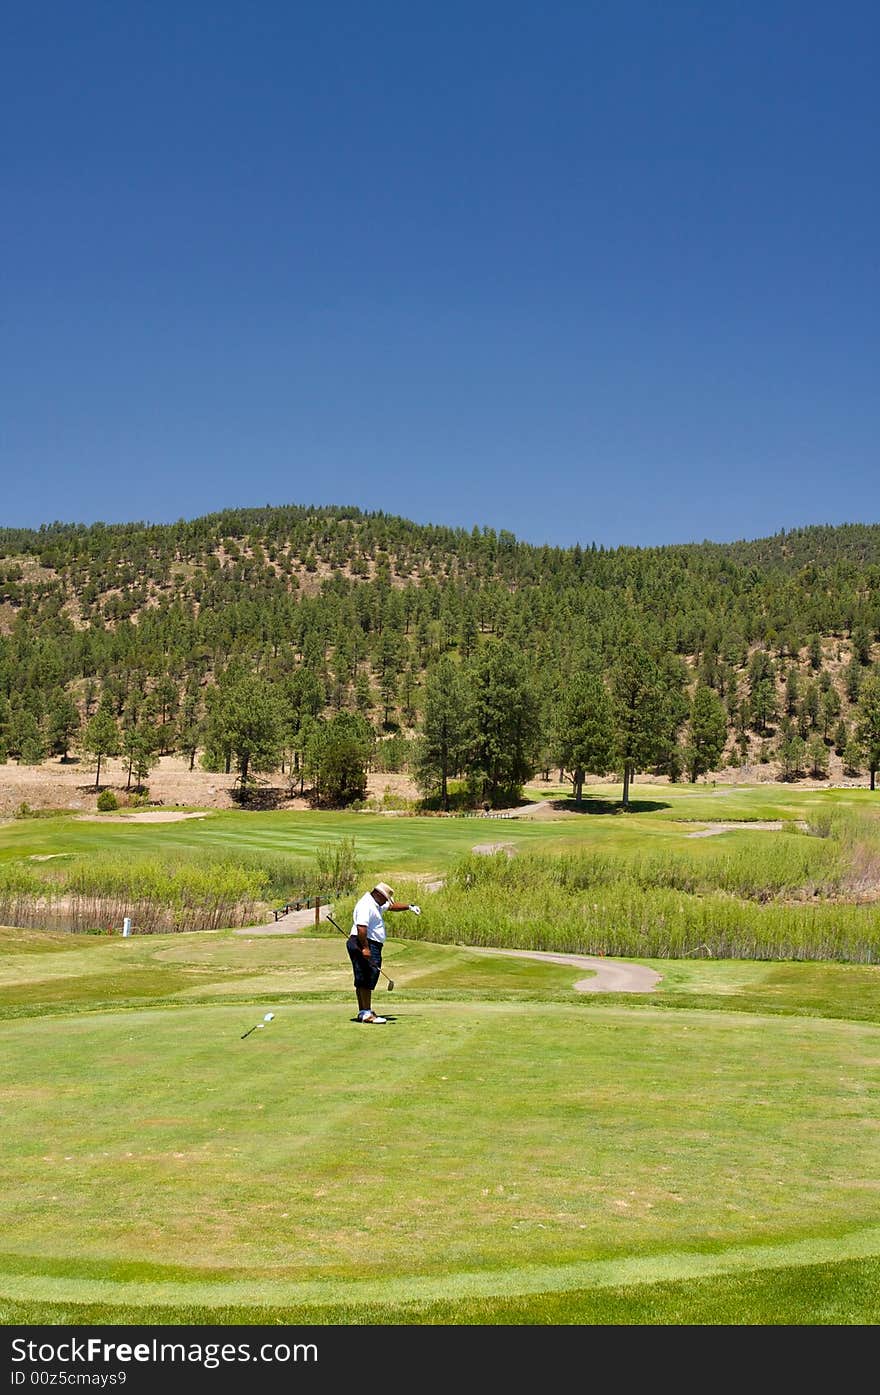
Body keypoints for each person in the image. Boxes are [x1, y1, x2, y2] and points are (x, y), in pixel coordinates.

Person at [347, 881, 420, 1024]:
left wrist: (409, 907)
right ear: (379, 895)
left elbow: (392, 906)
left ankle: (364, 1011)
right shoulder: (365, 905)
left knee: (365, 977)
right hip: (363, 942)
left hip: (367, 943)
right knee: (366, 977)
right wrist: (366, 948)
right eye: (385, 899)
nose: (386, 902)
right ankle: (366, 1013)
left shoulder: (375, 903)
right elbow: (361, 928)